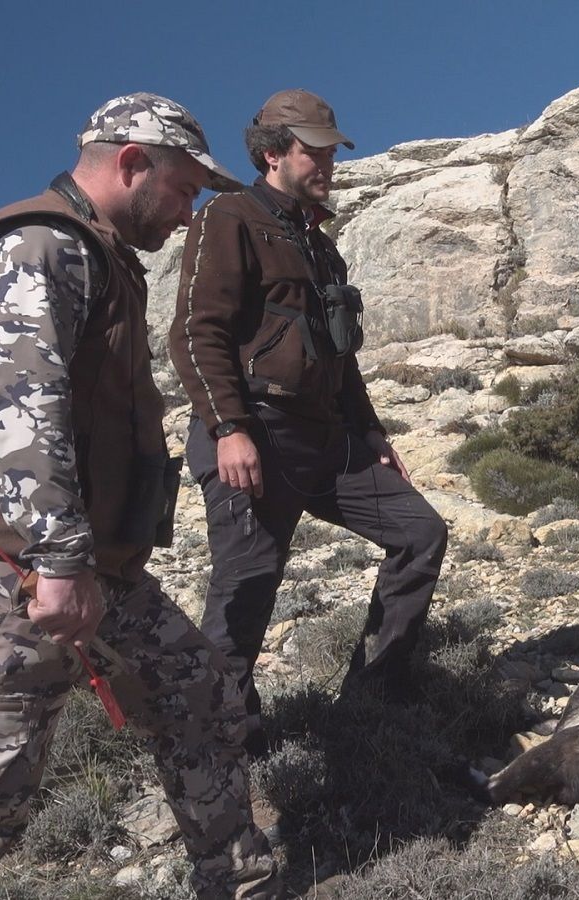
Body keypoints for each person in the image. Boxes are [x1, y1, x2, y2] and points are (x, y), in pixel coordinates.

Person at [0, 94, 280, 899]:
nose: (188, 212)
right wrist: (59, 556)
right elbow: (18, 408)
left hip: (88, 565)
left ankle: (237, 879)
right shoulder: (41, 244)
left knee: (194, 689)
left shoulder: (100, 258)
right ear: (133, 163)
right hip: (0, 568)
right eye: (185, 188)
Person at [169, 89, 447, 753]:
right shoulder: (229, 218)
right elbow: (195, 333)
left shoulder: (321, 246)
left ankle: (375, 689)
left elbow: (341, 361)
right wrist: (228, 428)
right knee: (246, 594)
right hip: (255, 434)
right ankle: (228, 741)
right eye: (313, 150)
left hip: (328, 440)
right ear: (272, 153)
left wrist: (373, 436)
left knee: (420, 532)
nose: (327, 160)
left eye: (329, 150)